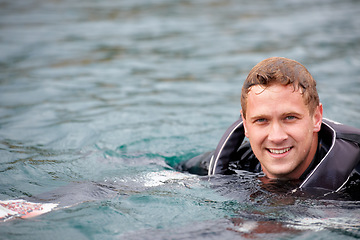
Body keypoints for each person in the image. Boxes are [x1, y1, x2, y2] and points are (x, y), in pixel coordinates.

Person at [175, 57, 360, 194]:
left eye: (289, 118)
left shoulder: (354, 183)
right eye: (261, 120)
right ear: (245, 125)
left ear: (316, 118)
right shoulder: (237, 163)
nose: (276, 137)